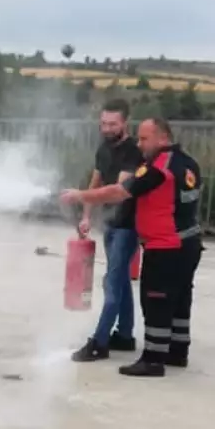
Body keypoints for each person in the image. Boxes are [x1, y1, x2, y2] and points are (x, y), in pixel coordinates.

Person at [61, 117, 203, 377]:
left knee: (156, 302)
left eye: (144, 139)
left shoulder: (160, 167)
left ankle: (152, 359)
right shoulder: (188, 163)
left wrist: (81, 195)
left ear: (163, 138)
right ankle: (177, 352)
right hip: (189, 243)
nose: (140, 144)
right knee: (180, 300)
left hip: (166, 246)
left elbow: (118, 191)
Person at [71, 99, 143, 362]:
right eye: (103, 123)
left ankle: (100, 342)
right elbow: (96, 181)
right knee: (121, 279)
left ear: (125, 123)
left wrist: (79, 195)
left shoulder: (133, 152)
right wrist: (86, 216)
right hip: (112, 225)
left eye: (113, 124)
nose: (107, 128)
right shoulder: (104, 149)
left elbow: (118, 192)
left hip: (128, 226)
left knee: (112, 283)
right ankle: (124, 335)